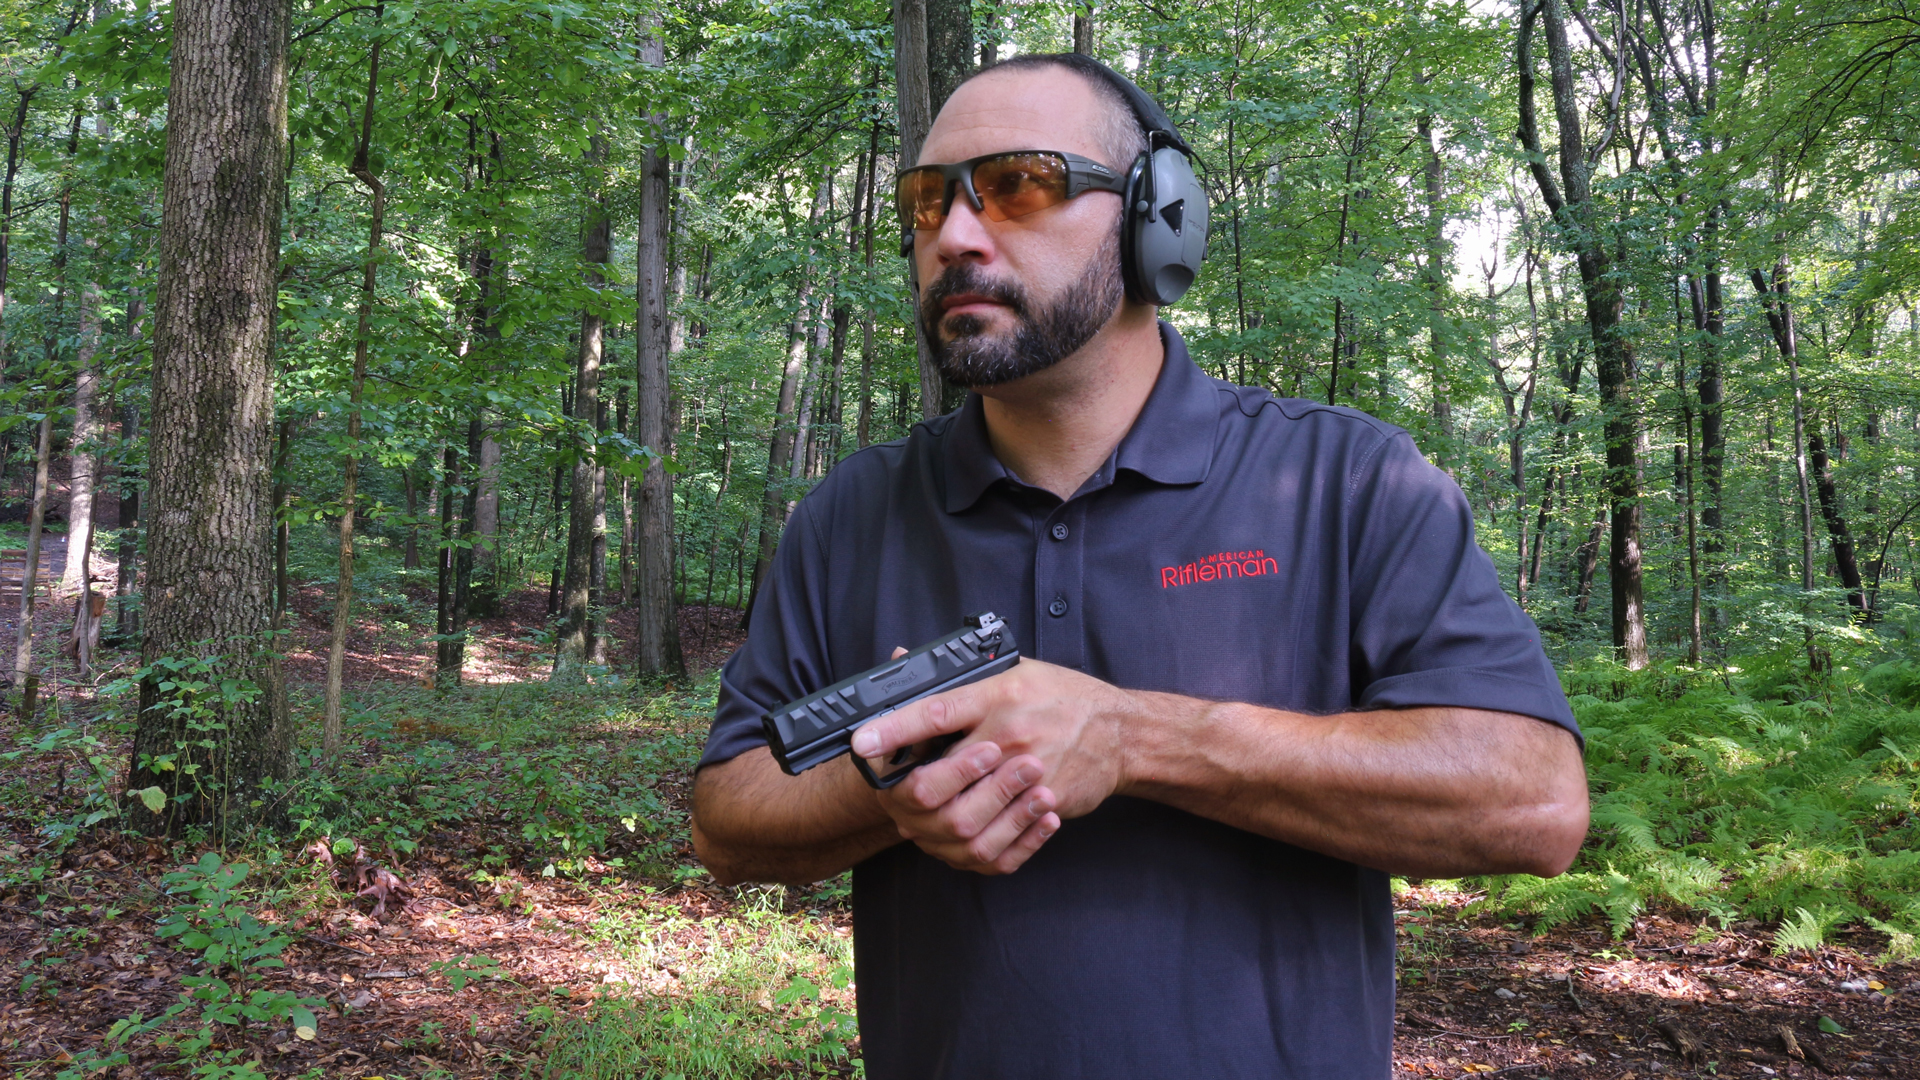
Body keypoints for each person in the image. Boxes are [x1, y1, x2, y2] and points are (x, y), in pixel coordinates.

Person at [692, 53, 1588, 1079]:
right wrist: (895, 785)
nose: (954, 236)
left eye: (1020, 183)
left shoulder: (1345, 478)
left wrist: (1132, 738)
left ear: (1157, 220)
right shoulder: (855, 510)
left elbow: (1536, 802)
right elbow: (729, 814)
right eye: (927, 201)